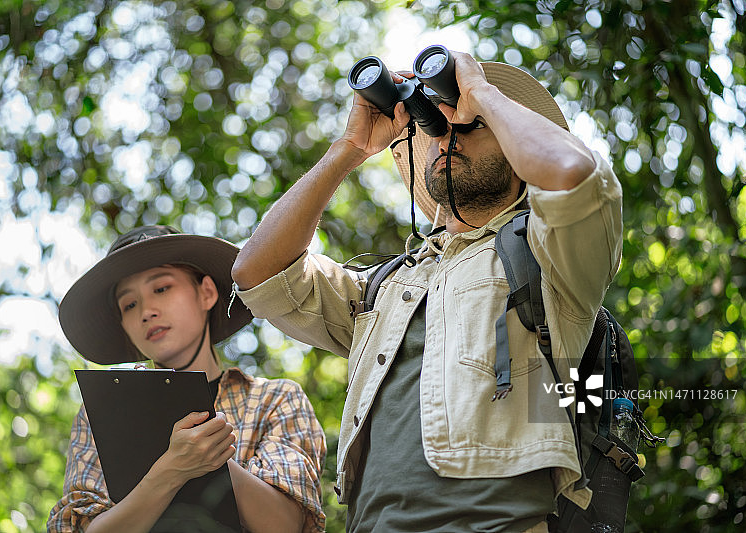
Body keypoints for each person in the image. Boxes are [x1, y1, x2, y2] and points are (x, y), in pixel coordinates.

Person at [231, 49, 622, 533]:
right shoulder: (387, 286)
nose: (448, 133)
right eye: (435, 123)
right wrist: (349, 148)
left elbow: (571, 175)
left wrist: (479, 92)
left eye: (472, 124)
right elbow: (257, 274)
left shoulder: (548, 257)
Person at [47, 226, 326, 533]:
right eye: (129, 304)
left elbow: (287, 525)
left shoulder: (275, 400)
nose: (147, 311)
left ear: (206, 292)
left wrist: (209, 454)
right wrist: (168, 472)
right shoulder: (100, 417)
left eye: (162, 288)